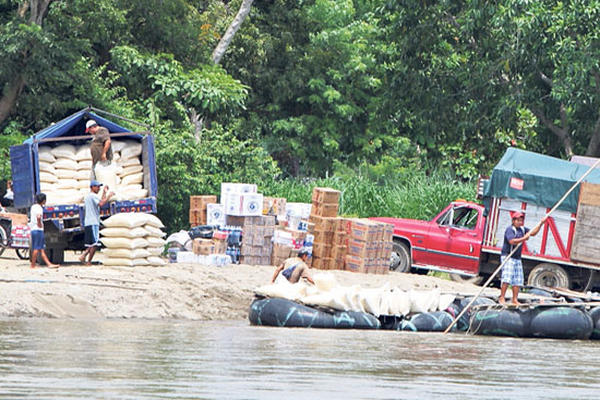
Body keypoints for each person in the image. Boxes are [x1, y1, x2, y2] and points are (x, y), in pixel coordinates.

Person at [498, 211, 546, 305]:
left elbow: (533, 233)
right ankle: (502, 297)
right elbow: (512, 241)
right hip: (508, 256)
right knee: (507, 278)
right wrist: (524, 239)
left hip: (517, 258)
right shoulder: (510, 229)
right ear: (513, 221)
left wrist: (541, 224)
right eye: (518, 220)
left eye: (521, 220)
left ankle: (515, 299)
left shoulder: (522, 229)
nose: (520, 222)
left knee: (517, 279)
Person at [79, 180, 114, 265]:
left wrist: (104, 192)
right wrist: (109, 196)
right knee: (95, 244)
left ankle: (84, 256)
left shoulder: (89, 197)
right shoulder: (92, 196)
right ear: (92, 187)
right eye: (97, 187)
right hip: (93, 222)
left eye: (99, 187)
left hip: (89, 222)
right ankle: (88, 261)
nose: (98, 188)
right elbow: (101, 203)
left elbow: (100, 200)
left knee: (91, 243)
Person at [29, 193, 59, 269]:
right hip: (38, 230)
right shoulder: (39, 208)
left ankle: (49, 264)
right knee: (36, 248)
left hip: (33, 229)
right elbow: (39, 217)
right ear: (43, 201)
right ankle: (33, 265)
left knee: (41, 249)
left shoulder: (33, 207)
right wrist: (39, 224)